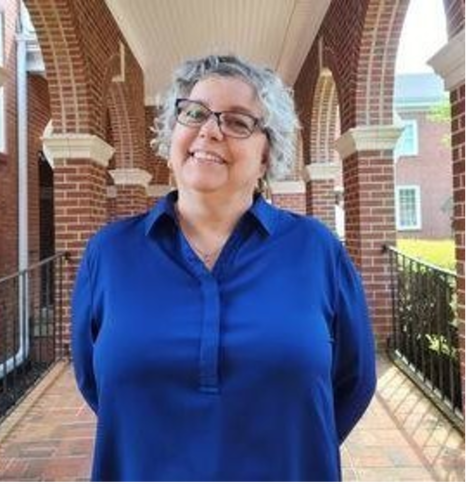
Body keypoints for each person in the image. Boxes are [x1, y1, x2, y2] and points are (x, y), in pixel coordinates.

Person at [72, 54, 377, 483]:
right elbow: (94, 382)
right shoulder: (109, 253)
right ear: (172, 135)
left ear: (267, 154)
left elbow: (354, 381)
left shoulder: (317, 249)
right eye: (194, 113)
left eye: (237, 121)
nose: (210, 130)